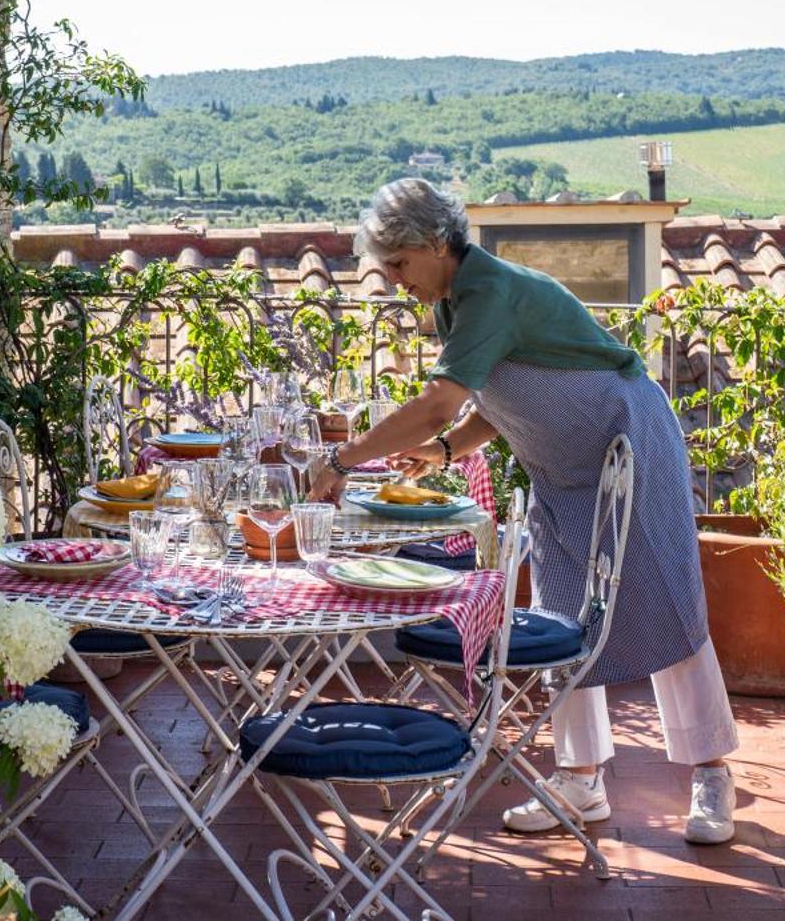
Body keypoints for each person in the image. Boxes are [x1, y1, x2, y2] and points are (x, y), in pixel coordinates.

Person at [307, 178, 738, 845]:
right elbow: (501, 400)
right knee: (565, 612)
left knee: (666, 601)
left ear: (431, 242)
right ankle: (580, 778)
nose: (394, 281)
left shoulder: (488, 291)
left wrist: (342, 462)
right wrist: (446, 451)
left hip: (628, 443)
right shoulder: (457, 301)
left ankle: (711, 773)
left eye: (398, 264)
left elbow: (435, 402)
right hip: (562, 470)